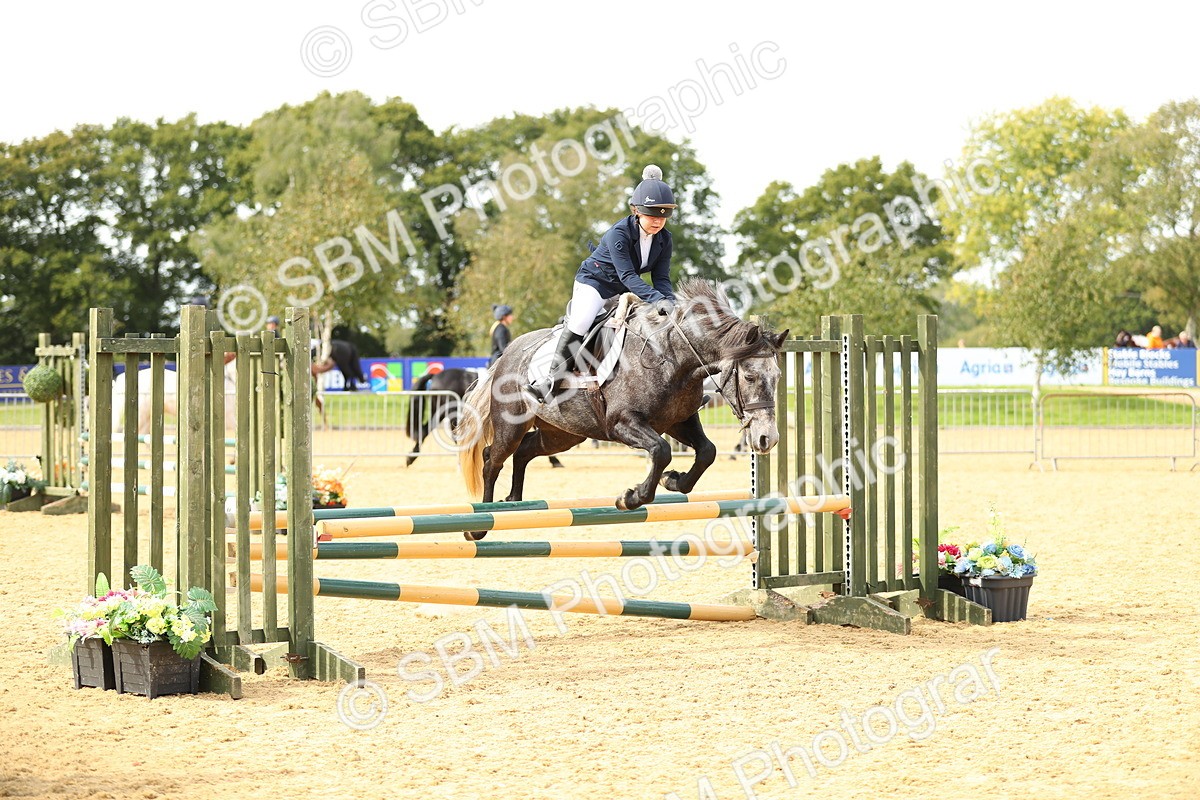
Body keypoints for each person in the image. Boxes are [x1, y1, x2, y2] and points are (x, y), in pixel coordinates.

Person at [527, 165, 678, 402]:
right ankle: (550, 382)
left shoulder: (665, 239)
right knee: (581, 320)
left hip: (621, 290)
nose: (658, 221)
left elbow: (661, 278)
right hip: (594, 283)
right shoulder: (619, 233)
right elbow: (628, 276)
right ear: (636, 211)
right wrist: (657, 299)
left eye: (663, 216)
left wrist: (670, 300)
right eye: (651, 215)